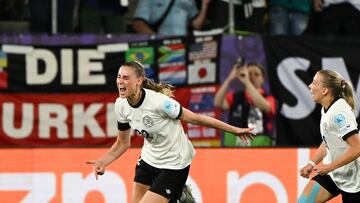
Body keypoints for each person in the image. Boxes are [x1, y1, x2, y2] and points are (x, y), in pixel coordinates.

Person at [86, 61, 254, 203]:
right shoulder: (120, 105)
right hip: (149, 159)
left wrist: (234, 130)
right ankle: (178, 197)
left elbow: (196, 118)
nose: (120, 81)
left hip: (174, 163)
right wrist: (103, 161)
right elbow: (123, 142)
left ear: (139, 81)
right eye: (118, 77)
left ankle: (179, 194)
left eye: (125, 77)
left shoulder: (160, 103)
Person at [298, 70, 360, 202]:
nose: (310, 86)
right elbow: (329, 141)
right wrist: (312, 163)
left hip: (354, 181)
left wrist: (329, 167)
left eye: (314, 83)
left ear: (325, 91)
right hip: (333, 174)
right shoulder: (327, 107)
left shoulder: (339, 114)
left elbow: (357, 148)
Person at [214, 61, 276, 147]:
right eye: (249, 74)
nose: (252, 77)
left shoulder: (268, 97)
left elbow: (266, 108)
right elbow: (218, 103)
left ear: (263, 79)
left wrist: (247, 82)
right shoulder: (235, 96)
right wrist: (230, 78)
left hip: (259, 143)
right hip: (234, 143)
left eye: (256, 74)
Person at [132, 0, 210, 36]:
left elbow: (197, 26)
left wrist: (204, 5)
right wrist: (157, 39)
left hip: (183, 46)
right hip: (160, 48)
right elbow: (138, 24)